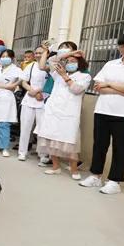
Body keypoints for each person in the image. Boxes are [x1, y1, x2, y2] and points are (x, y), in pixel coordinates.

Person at [79, 32, 124, 195]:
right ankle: (95, 176)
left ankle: (114, 181)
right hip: (102, 110)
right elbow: (99, 87)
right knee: (99, 145)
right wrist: (120, 88)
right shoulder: (111, 64)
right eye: (122, 46)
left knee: (120, 148)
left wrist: (109, 84)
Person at [36, 44, 92, 180]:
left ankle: (74, 170)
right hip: (53, 110)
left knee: (70, 141)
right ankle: (55, 167)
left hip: (69, 113)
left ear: (80, 63)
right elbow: (51, 60)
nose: (70, 63)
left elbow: (76, 89)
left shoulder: (84, 76)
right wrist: (69, 54)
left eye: (73, 61)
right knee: (52, 140)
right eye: (68, 61)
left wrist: (65, 76)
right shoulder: (57, 73)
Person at [18, 45, 49, 162]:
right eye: (36, 53)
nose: (38, 55)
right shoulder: (31, 66)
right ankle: (22, 152)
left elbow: (51, 83)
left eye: (41, 53)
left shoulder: (49, 66)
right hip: (29, 98)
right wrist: (31, 90)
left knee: (42, 128)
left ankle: (42, 154)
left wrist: (38, 92)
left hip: (43, 99)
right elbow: (24, 82)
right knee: (25, 127)